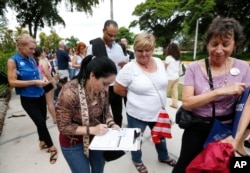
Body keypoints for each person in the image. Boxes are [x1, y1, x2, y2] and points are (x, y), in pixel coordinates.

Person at [172, 17, 250, 173]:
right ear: (207, 43)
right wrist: (221, 91)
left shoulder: (243, 68)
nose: (219, 50)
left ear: (235, 44)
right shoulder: (194, 68)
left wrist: (236, 139)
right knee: (184, 167)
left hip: (226, 130)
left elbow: (247, 106)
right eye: (214, 44)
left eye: (226, 44)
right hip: (197, 127)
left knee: (225, 167)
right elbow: (187, 102)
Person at [114, 32, 176, 173]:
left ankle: (164, 156)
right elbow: (118, 89)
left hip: (158, 112)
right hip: (137, 114)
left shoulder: (160, 63)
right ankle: (137, 160)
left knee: (160, 137)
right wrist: (136, 98)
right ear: (134, 50)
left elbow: (161, 83)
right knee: (136, 140)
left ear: (152, 49)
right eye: (139, 50)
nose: (143, 54)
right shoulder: (129, 68)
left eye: (147, 50)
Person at [55, 54, 120, 173]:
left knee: (98, 169)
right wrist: (92, 130)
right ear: (92, 75)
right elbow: (63, 127)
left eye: (109, 85)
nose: (106, 89)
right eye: (105, 83)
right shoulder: (69, 93)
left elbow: (106, 111)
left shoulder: (102, 91)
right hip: (73, 142)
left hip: (96, 139)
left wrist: (111, 124)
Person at [7, 34, 58, 164]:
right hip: (28, 98)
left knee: (41, 121)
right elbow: (12, 82)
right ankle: (51, 147)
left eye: (34, 48)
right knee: (40, 122)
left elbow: (37, 74)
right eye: (30, 48)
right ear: (21, 46)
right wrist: (33, 82)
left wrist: (43, 79)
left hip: (40, 94)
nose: (33, 51)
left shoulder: (31, 59)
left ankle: (41, 141)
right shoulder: (13, 61)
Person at [86, 19, 127, 127]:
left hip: (116, 86)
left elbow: (122, 66)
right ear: (103, 30)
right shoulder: (93, 47)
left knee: (118, 114)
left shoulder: (118, 47)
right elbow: (88, 67)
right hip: (102, 87)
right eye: (109, 35)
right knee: (102, 114)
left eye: (115, 36)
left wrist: (125, 64)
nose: (112, 38)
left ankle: (118, 133)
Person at [34, 47, 57, 124]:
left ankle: (45, 117)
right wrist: (53, 83)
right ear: (41, 53)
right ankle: (55, 118)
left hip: (39, 83)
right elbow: (47, 74)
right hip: (47, 83)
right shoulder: (42, 62)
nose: (45, 52)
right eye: (43, 51)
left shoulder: (34, 62)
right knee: (50, 102)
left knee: (45, 103)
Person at [165, 42, 181, 109]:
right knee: (175, 91)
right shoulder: (178, 58)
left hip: (169, 77)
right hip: (176, 77)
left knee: (164, 91)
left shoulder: (168, 57)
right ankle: (175, 104)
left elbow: (164, 68)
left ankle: (161, 105)